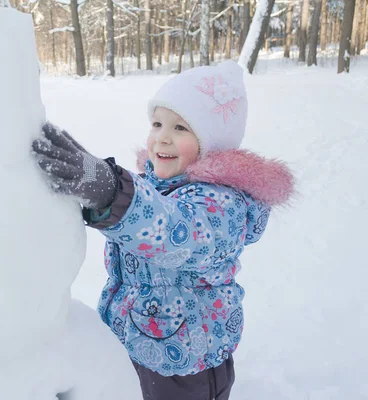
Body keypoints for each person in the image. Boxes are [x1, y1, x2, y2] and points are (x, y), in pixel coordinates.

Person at [31, 60, 294, 400]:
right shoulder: (155, 188)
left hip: (186, 366)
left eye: (181, 128)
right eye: (157, 123)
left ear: (212, 142)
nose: (162, 137)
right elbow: (144, 210)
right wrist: (89, 191)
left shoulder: (222, 205)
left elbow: (173, 232)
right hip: (135, 342)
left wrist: (113, 191)